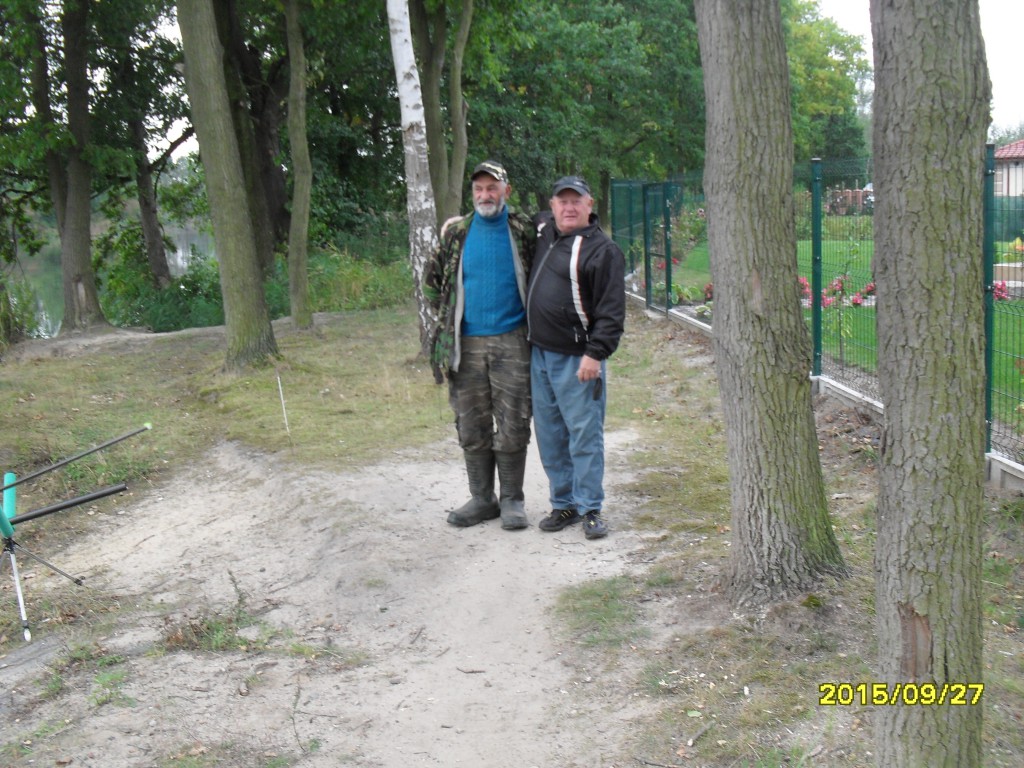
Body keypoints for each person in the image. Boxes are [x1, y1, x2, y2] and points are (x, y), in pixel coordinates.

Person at [425, 160, 536, 530]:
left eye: (492, 188)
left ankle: (512, 500)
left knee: (513, 421)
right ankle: (482, 498)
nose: (485, 195)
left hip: (513, 341)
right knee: (471, 423)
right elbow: (432, 281)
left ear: (506, 190)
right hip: (466, 344)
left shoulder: (523, 230)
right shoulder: (457, 233)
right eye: (479, 189)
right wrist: (448, 316)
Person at [526, 176, 625, 539]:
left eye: (576, 201)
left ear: (589, 204)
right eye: (562, 201)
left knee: (583, 434)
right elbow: (509, 216)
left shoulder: (603, 251)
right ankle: (563, 503)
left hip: (578, 360)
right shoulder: (544, 231)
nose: (568, 208)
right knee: (550, 434)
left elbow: (612, 313)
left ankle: (590, 508)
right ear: (552, 206)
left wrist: (595, 354)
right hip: (539, 354)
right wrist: (458, 223)